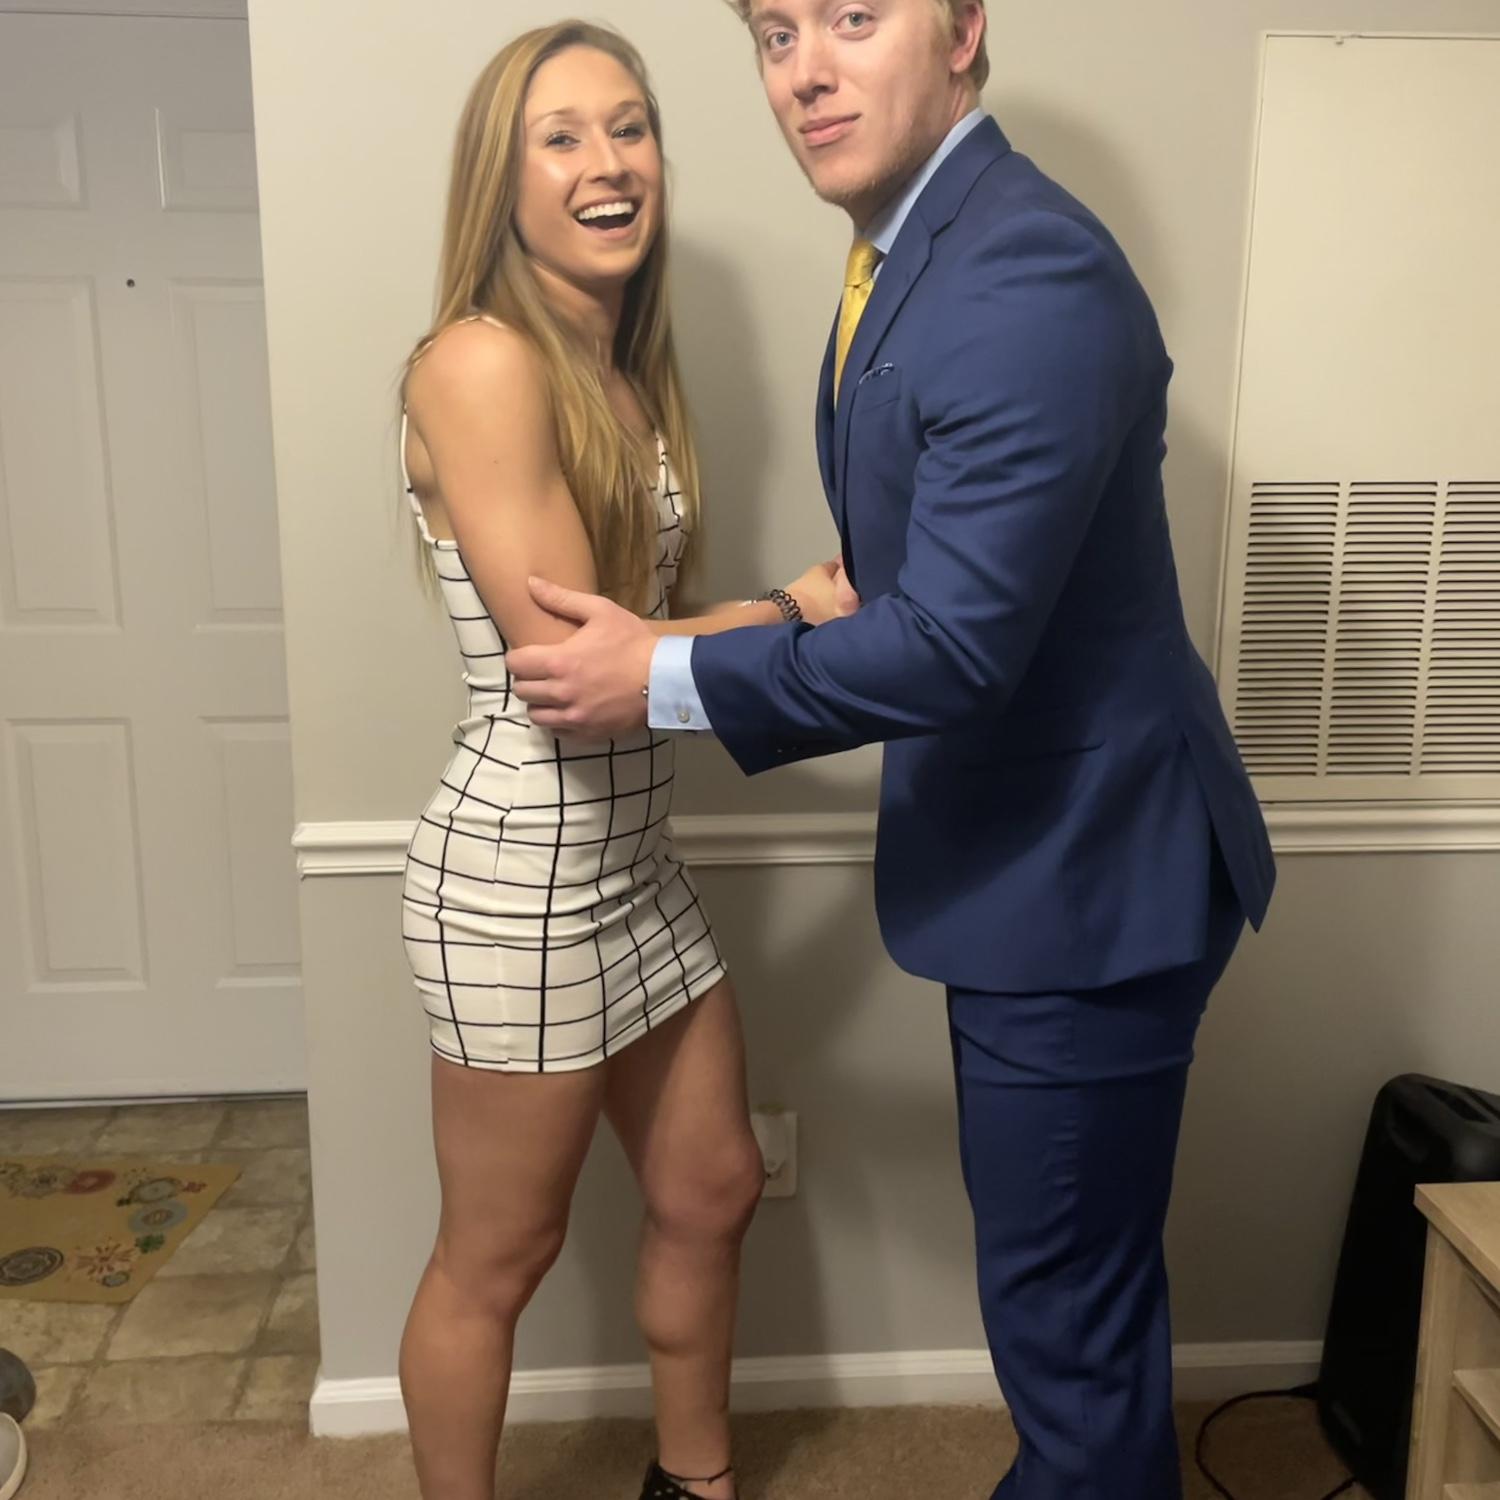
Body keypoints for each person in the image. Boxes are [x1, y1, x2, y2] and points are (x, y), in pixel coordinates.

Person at [505, 2, 1278, 1495]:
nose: (806, 69)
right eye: (776, 32)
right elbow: (910, 578)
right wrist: (764, 616)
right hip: (1042, 871)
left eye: (855, 16)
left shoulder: (1023, 268)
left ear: (965, 28)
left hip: (1089, 884)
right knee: (1069, 1308)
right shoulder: (914, 250)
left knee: (1068, 1325)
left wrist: (660, 671)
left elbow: (952, 645)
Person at [394, 22, 850, 1500]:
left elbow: (642, 647)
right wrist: (792, 609)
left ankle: (693, 1489)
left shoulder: (620, 370)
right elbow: (582, 681)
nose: (610, 163)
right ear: (503, 180)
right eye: (564, 136)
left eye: (631, 126)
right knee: (496, 1257)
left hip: (635, 867)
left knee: (713, 1185)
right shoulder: (479, 362)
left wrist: (776, 624)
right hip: (518, 883)